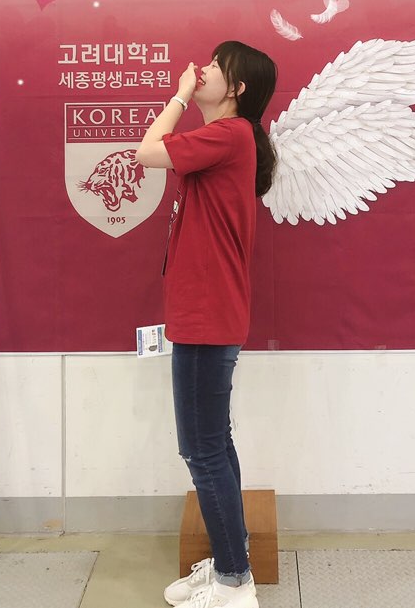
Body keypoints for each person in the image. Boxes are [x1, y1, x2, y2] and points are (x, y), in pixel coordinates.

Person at [135, 40, 278, 608]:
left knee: (202, 450)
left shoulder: (229, 134)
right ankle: (229, 563)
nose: (203, 70)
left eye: (216, 68)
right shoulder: (226, 139)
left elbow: (147, 153)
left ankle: (234, 584)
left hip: (207, 315)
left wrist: (177, 96)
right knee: (214, 443)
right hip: (207, 312)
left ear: (237, 89)